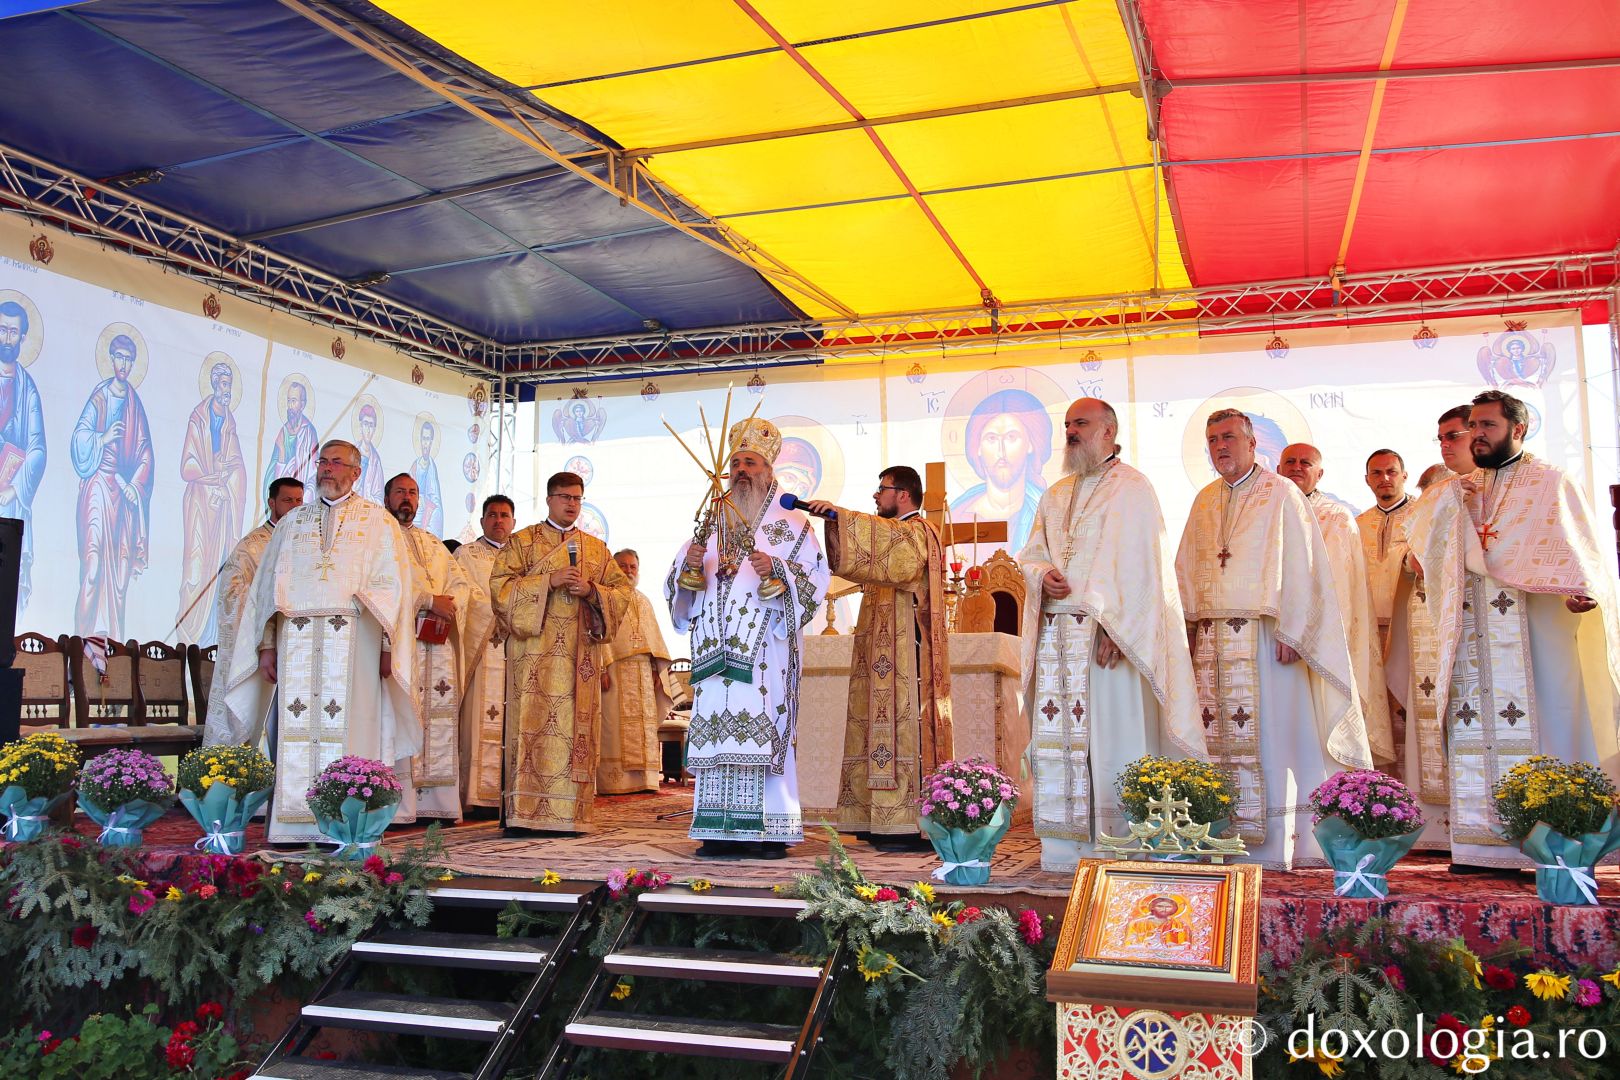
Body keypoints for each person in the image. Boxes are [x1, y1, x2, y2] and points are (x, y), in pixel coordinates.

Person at [1405, 390, 1620, 871]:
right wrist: (1443, 515)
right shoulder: (1460, 490)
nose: (1477, 435)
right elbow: (1424, 554)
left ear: (1518, 430)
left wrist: (1579, 590)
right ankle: (1479, 846)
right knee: (1473, 732)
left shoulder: (1551, 483)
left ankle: (1549, 846)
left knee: (1545, 725)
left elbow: (1582, 556)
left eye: (1488, 426)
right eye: (1473, 426)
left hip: (1533, 632)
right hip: (1472, 634)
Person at [1175, 410, 1373, 869]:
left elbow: (1305, 568)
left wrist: (1295, 627)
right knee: (1215, 741)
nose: (1219, 446)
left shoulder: (1281, 492)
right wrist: (1183, 630)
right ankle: (1217, 835)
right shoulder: (1204, 499)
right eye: (1211, 439)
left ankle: (1280, 843)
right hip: (1212, 643)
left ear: (1251, 443)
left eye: (1228, 437)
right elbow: (1185, 568)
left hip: (1266, 638)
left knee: (1274, 737)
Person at [1016, 399, 1204, 870]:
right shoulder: (1055, 493)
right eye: (1067, 425)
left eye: (1081, 423)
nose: (1071, 432)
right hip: (1058, 636)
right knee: (1065, 743)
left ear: (1108, 432)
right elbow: (1032, 552)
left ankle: (1122, 840)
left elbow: (1145, 569)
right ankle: (1066, 847)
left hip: (1109, 636)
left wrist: (1120, 630)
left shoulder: (1133, 488)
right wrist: (1041, 575)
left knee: (1113, 736)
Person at [211, 440, 416, 843]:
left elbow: (394, 589)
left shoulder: (379, 523)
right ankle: (292, 824)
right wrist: (267, 644)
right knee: (294, 732)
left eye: (336, 462)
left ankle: (346, 826)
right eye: (322, 461)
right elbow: (267, 590)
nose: (326, 469)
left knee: (352, 731)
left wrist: (389, 650)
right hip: (296, 644)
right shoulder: (293, 522)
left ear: (356, 472)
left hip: (355, 645)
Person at [667, 418, 828, 858]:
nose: (741, 469)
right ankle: (718, 830)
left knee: (762, 734)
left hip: (763, 652)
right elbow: (682, 585)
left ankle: (770, 832)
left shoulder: (791, 524)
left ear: (768, 469)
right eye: (735, 461)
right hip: (714, 654)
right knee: (718, 737)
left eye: (750, 462)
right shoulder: (710, 522)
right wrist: (689, 568)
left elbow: (815, 580)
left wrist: (777, 572)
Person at [804, 465, 953, 849]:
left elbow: (899, 562)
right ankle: (875, 817)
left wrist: (840, 515)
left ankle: (907, 822)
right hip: (880, 651)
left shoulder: (918, 531)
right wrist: (835, 520)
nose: (876, 495)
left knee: (906, 729)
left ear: (903, 494)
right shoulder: (894, 531)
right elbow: (867, 553)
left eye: (882, 489)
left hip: (908, 654)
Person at [491, 471, 630, 835]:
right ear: (550, 499)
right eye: (565, 497)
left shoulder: (597, 549)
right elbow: (499, 590)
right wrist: (547, 582)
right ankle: (524, 812)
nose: (571, 504)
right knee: (530, 726)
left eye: (577, 498)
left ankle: (571, 814)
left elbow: (621, 593)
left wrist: (592, 590)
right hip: (533, 657)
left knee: (573, 730)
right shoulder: (522, 542)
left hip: (578, 659)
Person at [1393, 405, 1479, 852]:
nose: (1446, 444)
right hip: (1437, 626)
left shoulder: (1513, 486)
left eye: (1454, 435)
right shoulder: (1437, 496)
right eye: (1440, 437)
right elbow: (1413, 559)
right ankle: (1442, 834)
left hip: (1489, 628)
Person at [1277, 443, 1394, 767]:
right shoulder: (1267, 511)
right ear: (1277, 469)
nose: (1297, 467)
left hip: (1323, 638)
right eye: (1290, 462)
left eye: (1306, 462)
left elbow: (1342, 590)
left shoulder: (1336, 517)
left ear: (1320, 473)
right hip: (1276, 640)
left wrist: (1310, 633)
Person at [387, 473, 488, 822]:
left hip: (438, 642)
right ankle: (402, 807)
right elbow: (385, 585)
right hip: (404, 644)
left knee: (438, 718)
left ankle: (438, 804)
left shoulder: (431, 542)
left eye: (413, 492)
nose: (407, 498)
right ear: (387, 496)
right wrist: (429, 599)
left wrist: (448, 602)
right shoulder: (381, 537)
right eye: (400, 491)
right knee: (405, 714)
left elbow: (460, 582)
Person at [203, 477, 303, 729]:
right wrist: (267, 614)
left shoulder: (305, 544)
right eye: (287, 500)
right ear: (271, 502)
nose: (295, 506)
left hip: (297, 645)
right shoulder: (253, 546)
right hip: (262, 645)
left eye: (299, 500)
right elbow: (232, 593)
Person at [73, 332, 154, 639]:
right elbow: (80, 437)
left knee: (118, 580)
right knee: (93, 566)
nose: (123, 364)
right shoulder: (100, 396)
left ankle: (113, 647)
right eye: (118, 357)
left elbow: (145, 451)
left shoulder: (135, 402)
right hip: (97, 487)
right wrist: (101, 438)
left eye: (128, 359)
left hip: (122, 494)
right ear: (111, 358)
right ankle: (80, 644)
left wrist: (135, 482)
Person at [176, 361, 247, 643]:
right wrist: (212, 474)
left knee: (220, 570)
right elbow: (187, 466)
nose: (225, 389)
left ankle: (211, 641)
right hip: (199, 505)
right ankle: (188, 639)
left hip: (223, 506)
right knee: (195, 569)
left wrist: (228, 478)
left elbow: (238, 467)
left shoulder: (230, 423)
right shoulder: (199, 419)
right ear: (213, 385)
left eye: (229, 384)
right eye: (221, 383)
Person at [454, 495, 515, 813]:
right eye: (492, 515)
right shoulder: (467, 554)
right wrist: (499, 614)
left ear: (513, 522)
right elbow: (464, 591)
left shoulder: (522, 557)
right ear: (482, 521)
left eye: (505, 516)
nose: (499, 521)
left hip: (515, 650)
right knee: (480, 719)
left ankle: (511, 794)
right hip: (483, 647)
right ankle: (478, 795)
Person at [597, 549, 673, 795]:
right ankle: (614, 782)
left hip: (642, 673)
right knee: (613, 727)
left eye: (632, 567)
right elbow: (599, 635)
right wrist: (601, 667)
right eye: (623, 566)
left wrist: (655, 669)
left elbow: (654, 640)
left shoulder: (643, 599)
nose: (628, 571)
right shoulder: (604, 597)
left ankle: (645, 779)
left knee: (643, 729)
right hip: (616, 670)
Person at [948, 388, 1052, 551]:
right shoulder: (956, 515)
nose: (1001, 451)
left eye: (1011, 437)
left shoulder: (1048, 514)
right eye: (992, 438)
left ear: (1030, 444)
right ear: (978, 448)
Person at [0, 300, 46, 612]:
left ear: (23, 338)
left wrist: (13, 490)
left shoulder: (28, 389)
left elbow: (38, 449)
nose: (6, 338)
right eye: (2, 330)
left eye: (13, 332)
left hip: (8, 497)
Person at [263, 379, 317, 503]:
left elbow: (314, 473)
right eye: (288, 401)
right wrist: (281, 453)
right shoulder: (283, 432)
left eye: (294, 401)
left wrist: (304, 500)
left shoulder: (309, 432)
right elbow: (272, 471)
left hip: (301, 498)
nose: (290, 406)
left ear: (302, 405)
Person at [410, 419, 444, 536]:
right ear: (420, 440)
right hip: (415, 512)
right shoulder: (415, 466)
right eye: (424, 439)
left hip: (427, 513)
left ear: (431, 442)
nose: (425, 444)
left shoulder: (432, 468)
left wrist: (427, 503)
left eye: (428, 439)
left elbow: (435, 499)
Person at [1122, 894, 1193, 950]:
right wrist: (1146, 946)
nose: (1164, 909)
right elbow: (1128, 944)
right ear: (1152, 907)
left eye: (1168, 907)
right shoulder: (1136, 924)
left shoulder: (1181, 925)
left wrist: (1167, 947)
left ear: (1174, 909)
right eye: (1160, 906)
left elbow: (1186, 947)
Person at [355, 403, 385, 503]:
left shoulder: (376, 460)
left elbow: (380, 498)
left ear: (375, 429)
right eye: (366, 424)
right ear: (361, 426)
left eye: (371, 425)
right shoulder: (351, 453)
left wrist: (367, 496)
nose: (368, 430)